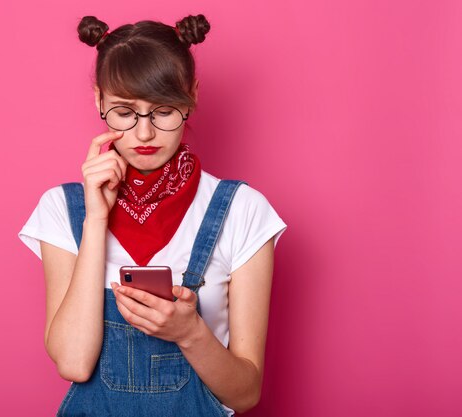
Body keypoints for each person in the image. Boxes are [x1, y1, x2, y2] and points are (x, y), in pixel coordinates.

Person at [18, 14, 288, 417]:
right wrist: (95, 221)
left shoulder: (242, 211)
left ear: (191, 97)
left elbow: (246, 394)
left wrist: (190, 333)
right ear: (98, 101)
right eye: (124, 112)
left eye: (163, 111)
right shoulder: (62, 209)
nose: (144, 134)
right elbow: (72, 363)